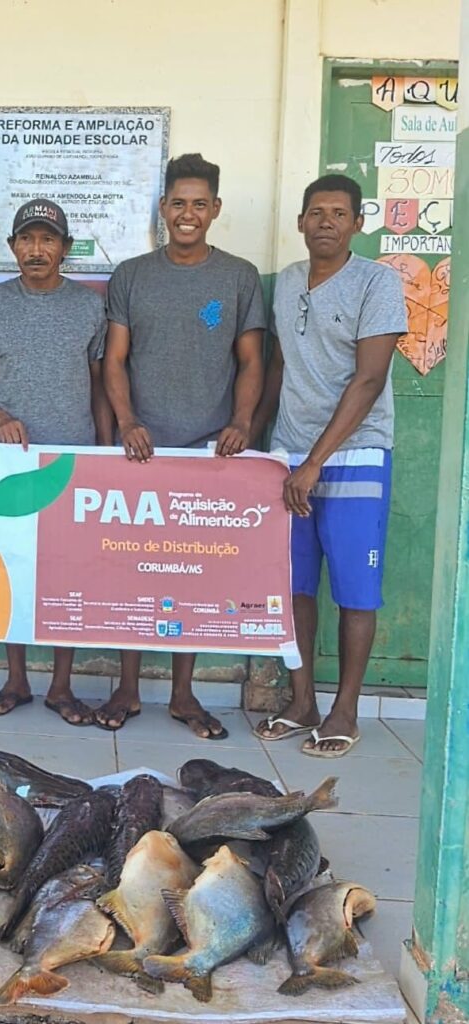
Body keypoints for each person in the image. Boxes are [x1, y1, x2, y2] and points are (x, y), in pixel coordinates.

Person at [100, 152, 266, 737]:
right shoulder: (132, 275)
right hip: (140, 449)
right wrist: (126, 422)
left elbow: (251, 360)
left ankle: (182, 694)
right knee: (131, 572)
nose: (188, 213)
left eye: (200, 203)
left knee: (189, 574)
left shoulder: (239, 276)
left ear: (215, 209)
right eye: (178, 203)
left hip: (208, 454)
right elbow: (114, 360)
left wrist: (241, 421)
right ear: (163, 209)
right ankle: (126, 687)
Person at [251, 174, 406, 757]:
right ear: (300, 222)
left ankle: (345, 710)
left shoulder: (376, 283)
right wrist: (261, 441)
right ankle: (302, 701)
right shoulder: (288, 283)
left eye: (339, 213)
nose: (325, 222)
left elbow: (368, 380)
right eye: (316, 212)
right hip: (289, 457)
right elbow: (280, 367)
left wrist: (316, 461)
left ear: (357, 223)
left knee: (355, 590)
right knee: (294, 586)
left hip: (355, 455)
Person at [0, 199, 113, 726]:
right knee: (14, 569)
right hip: (13, 464)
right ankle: (17, 680)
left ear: (66, 249)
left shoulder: (89, 307)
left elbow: (99, 386)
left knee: (67, 574)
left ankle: (62, 687)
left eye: (48, 240)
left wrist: (104, 450)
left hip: (74, 457)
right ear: (12, 247)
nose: (37, 249)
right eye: (27, 239)